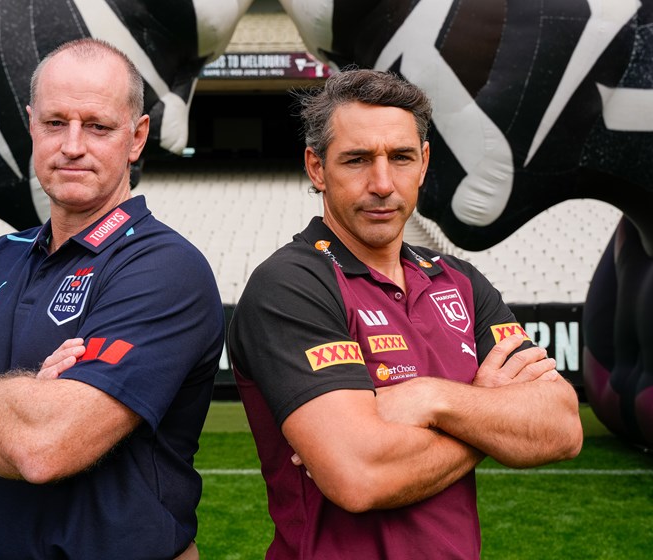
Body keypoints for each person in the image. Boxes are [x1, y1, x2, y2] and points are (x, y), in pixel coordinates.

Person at [0, 38, 223, 559]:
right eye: (55, 123)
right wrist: (21, 408)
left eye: (97, 126)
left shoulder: (165, 267)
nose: (72, 145)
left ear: (137, 136)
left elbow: (45, 447)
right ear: (32, 125)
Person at [227, 69, 583, 559]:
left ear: (423, 163)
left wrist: (432, 398)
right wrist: (488, 416)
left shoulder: (461, 281)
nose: (382, 183)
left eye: (400, 158)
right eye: (356, 160)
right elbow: (359, 475)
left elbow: (562, 426)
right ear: (316, 167)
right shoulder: (290, 285)